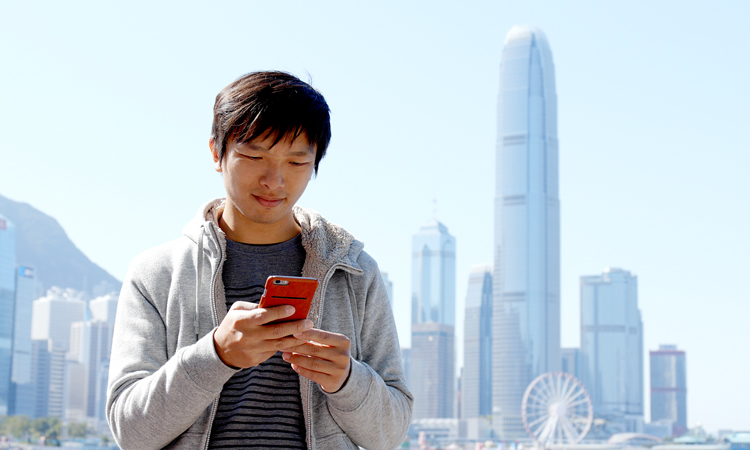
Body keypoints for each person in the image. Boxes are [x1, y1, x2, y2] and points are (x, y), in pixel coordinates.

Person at [106, 71, 413, 450]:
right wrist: (217, 354)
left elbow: (392, 434)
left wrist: (347, 380)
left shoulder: (354, 271)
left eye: (297, 162)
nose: (274, 180)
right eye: (254, 155)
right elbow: (131, 433)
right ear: (217, 153)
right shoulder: (156, 274)